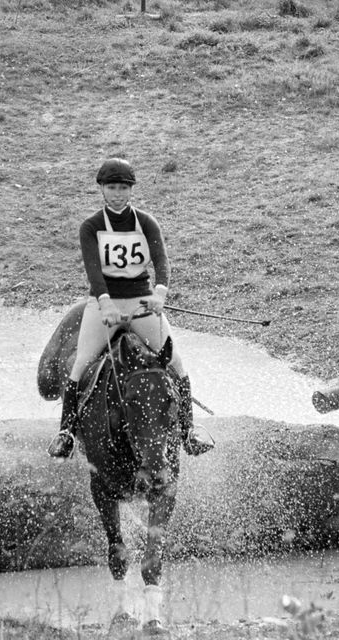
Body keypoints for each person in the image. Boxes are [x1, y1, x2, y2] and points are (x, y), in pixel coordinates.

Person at [47, 157, 214, 459]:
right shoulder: (91, 226)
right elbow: (94, 271)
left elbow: (161, 261)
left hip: (141, 301)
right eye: (112, 187)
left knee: (176, 362)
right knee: (81, 363)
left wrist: (160, 293)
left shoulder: (146, 222)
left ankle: (190, 429)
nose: (118, 193)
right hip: (104, 303)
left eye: (123, 188)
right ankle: (67, 433)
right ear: (101, 188)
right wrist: (105, 303)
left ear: (131, 189)